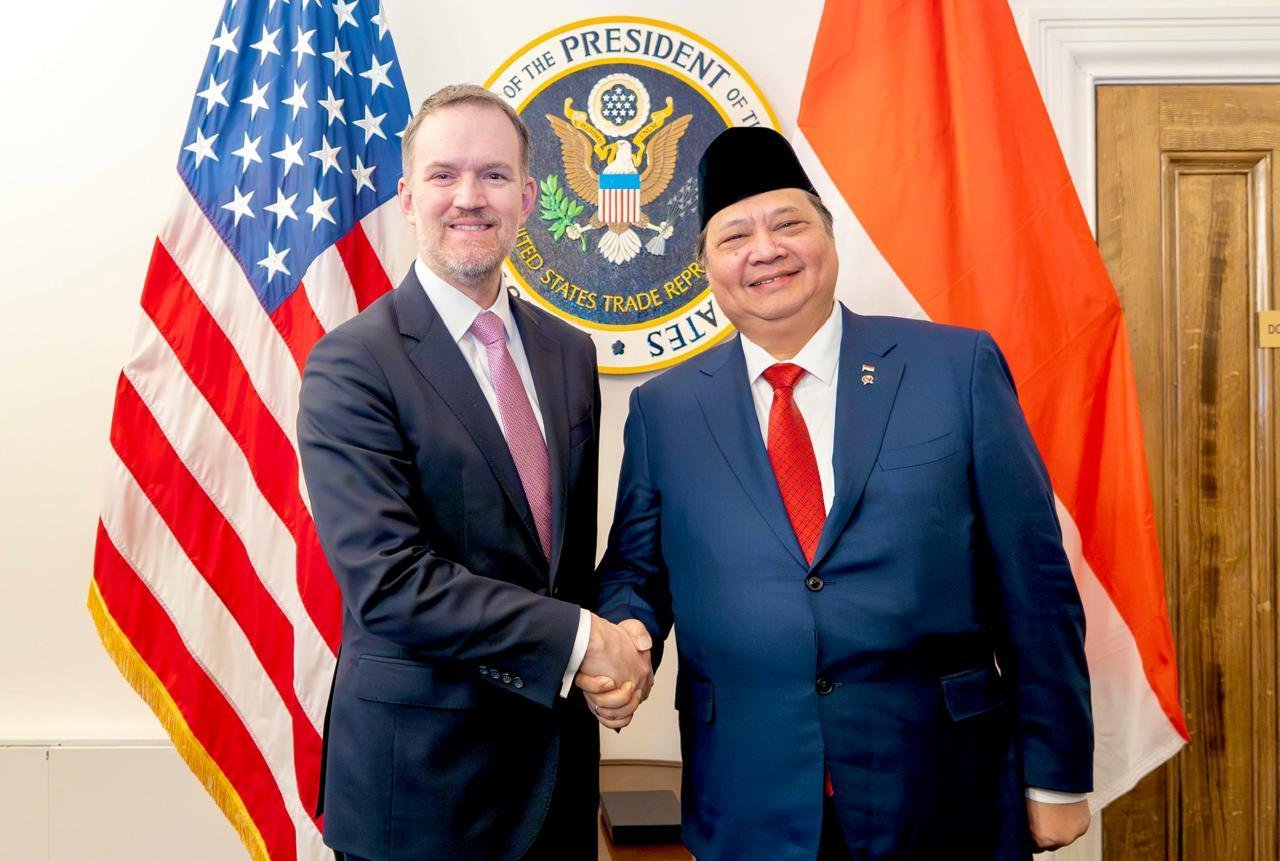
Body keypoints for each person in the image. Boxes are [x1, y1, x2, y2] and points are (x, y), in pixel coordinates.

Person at [588, 127, 1093, 860]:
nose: (765, 250)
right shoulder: (664, 409)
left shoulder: (955, 367)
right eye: (735, 236)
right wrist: (627, 633)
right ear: (706, 266)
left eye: (788, 224)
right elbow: (636, 569)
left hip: (941, 786)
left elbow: (1035, 579)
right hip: (749, 796)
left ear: (828, 236)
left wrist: (1056, 774)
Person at [298, 84, 652, 861]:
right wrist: (581, 640)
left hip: (557, 779)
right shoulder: (352, 364)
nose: (469, 197)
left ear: (526, 197)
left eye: (493, 175)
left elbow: (560, 565)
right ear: (407, 197)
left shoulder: (569, 353)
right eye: (443, 175)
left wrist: (621, 639)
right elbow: (389, 582)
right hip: (422, 792)